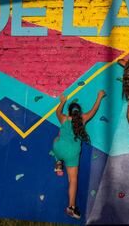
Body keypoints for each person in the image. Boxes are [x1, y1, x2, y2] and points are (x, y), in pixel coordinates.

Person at [53, 91, 105, 219]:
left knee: (56, 139)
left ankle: (58, 162)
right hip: (72, 154)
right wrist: (99, 96)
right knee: (73, 180)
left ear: (70, 112)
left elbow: (57, 112)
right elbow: (94, 110)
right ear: (80, 113)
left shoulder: (64, 119)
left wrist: (62, 102)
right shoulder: (83, 119)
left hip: (58, 149)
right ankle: (71, 207)